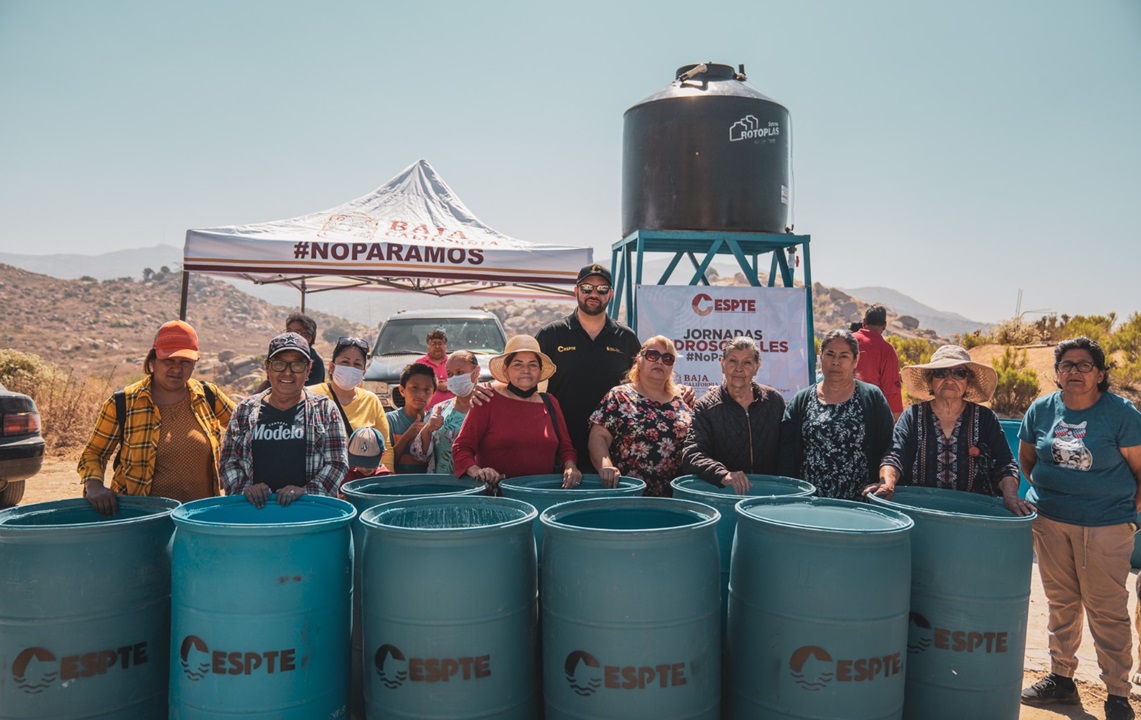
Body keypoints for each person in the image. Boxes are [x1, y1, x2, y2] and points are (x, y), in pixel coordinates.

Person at [1018, 337, 1141, 720]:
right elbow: (1027, 459)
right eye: (1066, 365)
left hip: (1105, 526)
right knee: (1061, 604)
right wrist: (1051, 498)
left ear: (1101, 374)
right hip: (1051, 522)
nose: (1074, 371)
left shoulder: (1122, 414)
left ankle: (1118, 694)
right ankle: (1061, 680)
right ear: (1057, 373)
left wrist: (1120, 514)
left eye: (1084, 365)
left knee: (1106, 609)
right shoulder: (1041, 409)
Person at [79, 320, 235, 515]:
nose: (177, 369)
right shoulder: (124, 402)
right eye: (168, 360)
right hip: (143, 517)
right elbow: (94, 452)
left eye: (185, 362)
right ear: (153, 361)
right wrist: (94, 485)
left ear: (194, 364)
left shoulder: (208, 395)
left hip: (199, 517)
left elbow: (248, 428)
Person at [868, 344, 1028, 515]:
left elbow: (1005, 464)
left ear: (968, 383)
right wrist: (888, 483)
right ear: (930, 381)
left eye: (959, 373)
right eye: (941, 373)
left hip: (973, 514)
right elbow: (895, 455)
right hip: (918, 511)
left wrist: (1011, 496)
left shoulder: (985, 418)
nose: (950, 379)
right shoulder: (913, 416)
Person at [219, 332, 347, 507]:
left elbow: (337, 463)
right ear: (267, 367)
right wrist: (246, 489)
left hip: (308, 516)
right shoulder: (244, 410)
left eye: (297, 365)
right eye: (279, 364)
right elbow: (228, 461)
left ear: (309, 368)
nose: (288, 372)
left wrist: (306, 493)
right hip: (254, 515)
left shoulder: (325, 409)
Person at [536, 263, 641, 474]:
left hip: (613, 451)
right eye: (587, 288)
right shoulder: (551, 334)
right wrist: (490, 390)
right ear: (576, 291)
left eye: (602, 289)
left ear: (610, 294)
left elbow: (643, 385)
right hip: (562, 447)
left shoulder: (626, 338)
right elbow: (523, 378)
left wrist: (678, 391)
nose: (594, 294)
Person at [777, 330, 894, 500]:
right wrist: (790, 495)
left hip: (860, 503)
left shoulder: (872, 397)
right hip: (809, 502)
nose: (836, 362)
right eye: (830, 354)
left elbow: (890, 445)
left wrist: (884, 481)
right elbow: (786, 454)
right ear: (821, 357)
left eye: (844, 356)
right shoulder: (802, 400)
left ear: (856, 360)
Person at [452, 335, 580, 491]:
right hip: (496, 497)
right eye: (518, 365)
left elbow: (566, 448)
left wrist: (570, 466)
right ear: (505, 371)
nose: (526, 370)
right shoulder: (487, 399)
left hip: (542, 495)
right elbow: (461, 448)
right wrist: (478, 471)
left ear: (540, 372)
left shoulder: (550, 402)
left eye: (533, 365)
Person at [589, 336, 693, 497]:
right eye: (653, 355)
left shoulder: (684, 402)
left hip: (675, 499)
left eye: (667, 358)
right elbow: (598, 437)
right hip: (628, 495)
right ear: (639, 360)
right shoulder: (619, 396)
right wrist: (606, 467)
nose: (659, 362)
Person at [681, 336, 785, 493]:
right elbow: (692, 453)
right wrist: (723, 474)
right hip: (724, 496)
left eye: (747, 363)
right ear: (722, 364)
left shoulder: (774, 400)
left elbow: (788, 450)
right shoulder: (705, 406)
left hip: (768, 496)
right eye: (732, 361)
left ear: (757, 367)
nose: (739, 368)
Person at [307, 335, 391, 458]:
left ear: (363, 372)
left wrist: (386, 475)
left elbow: (385, 446)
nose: (350, 368)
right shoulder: (310, 395)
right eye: (345, 362)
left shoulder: (371, 400)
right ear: (331, 367)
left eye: (357, 364)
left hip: (361, 476)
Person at [409, 350, 479, 474]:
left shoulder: (487, 408)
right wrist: (428, 429)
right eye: (450, 374)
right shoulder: (440, 409)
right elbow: (419, 456)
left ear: (476, 372)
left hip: (477, 486)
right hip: (442, 485)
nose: (455, 378)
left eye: (460, 372)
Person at [382, 363, 437, 473]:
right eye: (414, 388)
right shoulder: (389, 420)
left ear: (433, 394)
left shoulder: (435, 423)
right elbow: (385, 464)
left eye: (427, 390)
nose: (421, 394)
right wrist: (407, 436)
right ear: (402, 390)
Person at [853, 305, 904, 420]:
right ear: (884, 325)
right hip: (869, 414)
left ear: (864, 322)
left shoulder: (847, 341)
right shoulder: (887, 350)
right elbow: (891, 389)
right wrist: (896, 419)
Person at [415, 328, 453, 410]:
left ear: (445, 345)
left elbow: (462, 383)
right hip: (426, 412)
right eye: (433, 344)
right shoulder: (420, 363)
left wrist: (449, 385)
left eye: (440, 343)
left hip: (452, 412)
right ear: (428, 346)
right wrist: (437, 384)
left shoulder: (453, 362)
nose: (437, 346)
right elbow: (416, 385)